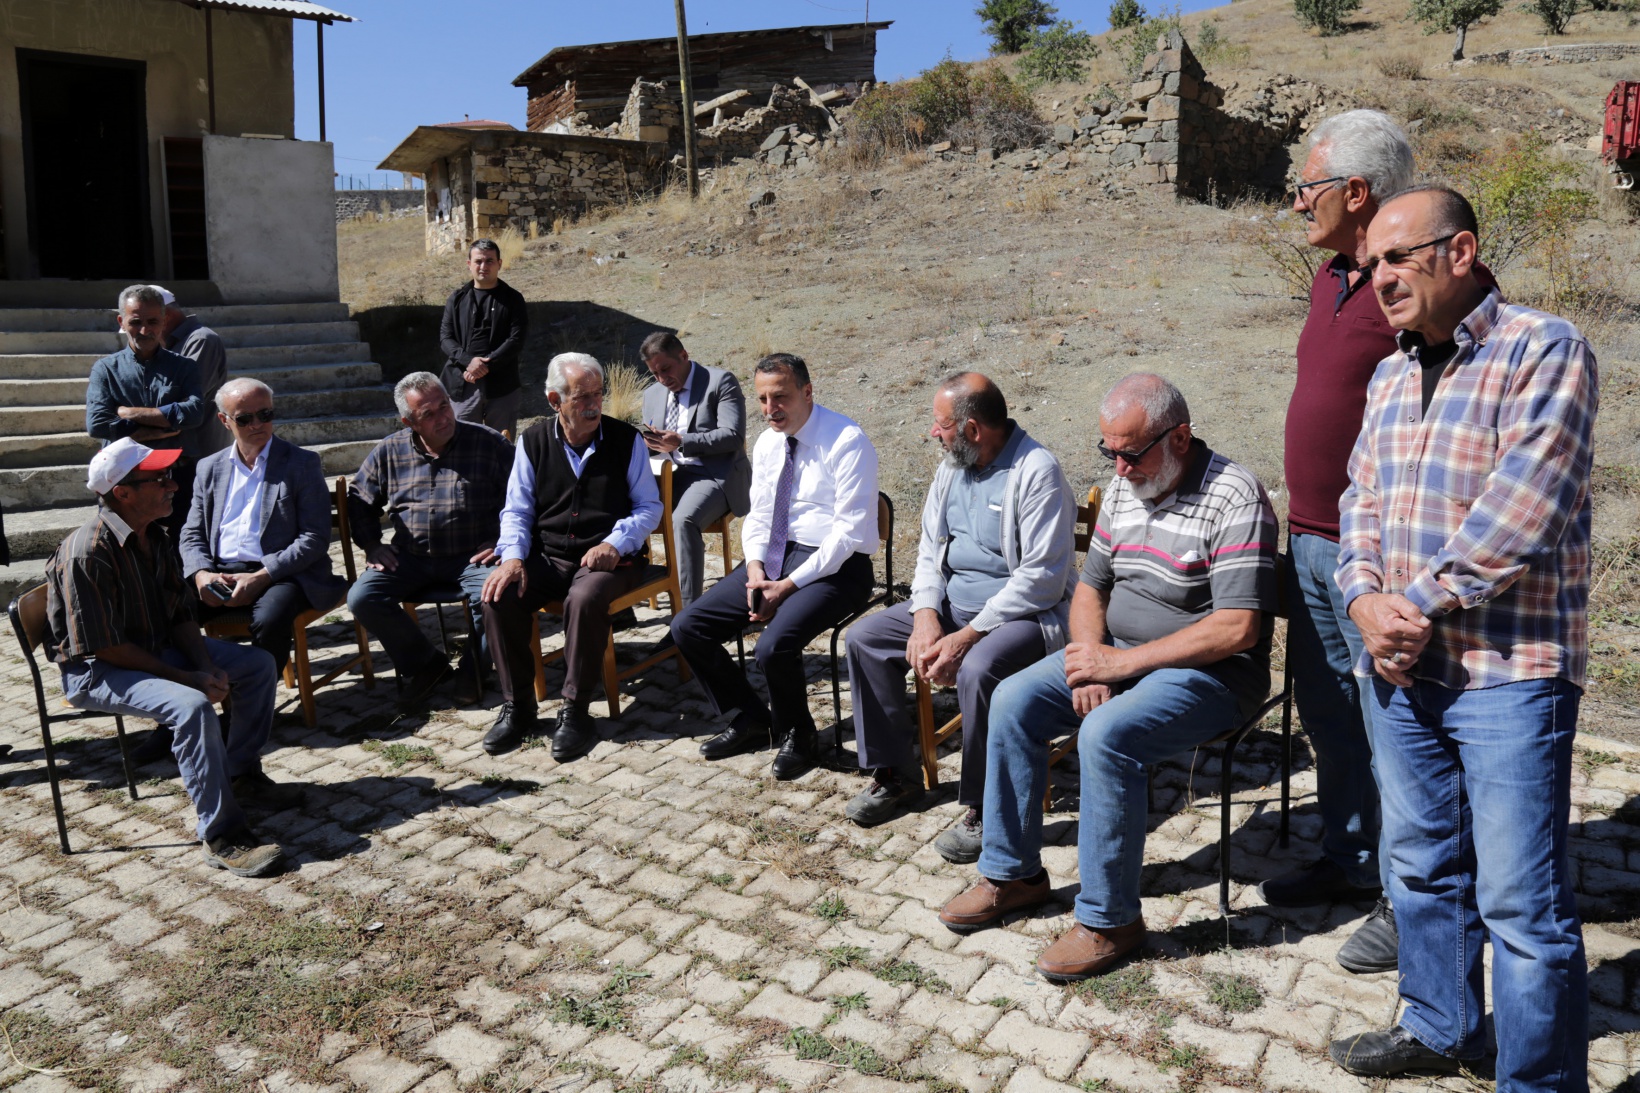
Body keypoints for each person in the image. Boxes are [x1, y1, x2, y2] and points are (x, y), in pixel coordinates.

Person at [1326, 186, 1596, 1089]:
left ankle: (1537, 1080)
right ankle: (1441, 1025)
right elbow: (1357, 500)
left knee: (1523, 902)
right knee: (1421, 865)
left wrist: (1415, 604)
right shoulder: (1390, 374)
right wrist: (1365, 600)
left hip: (1509, 668)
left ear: (1461, 251)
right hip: (1403, 667)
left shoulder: (1542, 347)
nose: (1378, 279)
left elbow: (1527, 505)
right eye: (1370, 268)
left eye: (1397, 258)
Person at [939, 373, 1278, 984]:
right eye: (1109, 453)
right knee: (1014, 699)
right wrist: (1091, 653)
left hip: (1210, 673)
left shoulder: (1235, 496)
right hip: (1117, 652)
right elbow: (1091, 586)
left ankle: (1109, 920)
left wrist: (1118, 667)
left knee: (1106, 736)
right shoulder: (1128, 488)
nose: (1118, 470)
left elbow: (1238, 630)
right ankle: (1012, 874)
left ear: (1180, 437)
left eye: (1130, 453)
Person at [1266, 109, 1414, 973]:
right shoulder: (1331, 276)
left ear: (1357, 192)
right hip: (1310, 543)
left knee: (1391, 722)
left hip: (1377, 554)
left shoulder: (1415, 288)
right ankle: (1352, 857)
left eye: (1308, 189)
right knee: (1328, 713)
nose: (1298, 206)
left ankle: (1409, 893)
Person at [843, 372, 1076, 865]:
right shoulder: (953, 466)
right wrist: (926, 615)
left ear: (973, 430)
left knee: (979, 667)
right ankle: (897, 777)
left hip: (1024, 616)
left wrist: (967, 636)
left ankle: (984, 806)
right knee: (864, 639)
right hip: (952, 605)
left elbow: (1043, 580)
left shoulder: (1036, 471)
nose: (934, 433)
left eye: (942, 424)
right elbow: (930, 548)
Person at [44, 438, 297, 877]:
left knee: (257, 666)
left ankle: (240, 774)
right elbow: (103, 645)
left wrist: (203, 665)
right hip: (98, 667)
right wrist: (186, 678)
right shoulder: (87, 553)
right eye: (159, 478)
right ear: (122, 492)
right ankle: (221, 835)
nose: (173, 485)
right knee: (193, 707)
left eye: (169, 476)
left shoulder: (153, 536)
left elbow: (179, 613)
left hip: (150, 648)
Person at [671, 353, 879, 781]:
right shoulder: (767, 442)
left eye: (780, 397)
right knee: (688, 626)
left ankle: (799, 736)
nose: (769, 409)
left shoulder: (846, 440)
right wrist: (755, 570)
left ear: (807, 391)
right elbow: (761, 515)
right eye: (762, 399)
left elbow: (846, 536)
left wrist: (786, 585)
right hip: (777, 558)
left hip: (838, 567)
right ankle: (750, 718)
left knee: (772, 645)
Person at [479, 353, 662, 759]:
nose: (594, 404)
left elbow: (648, 507)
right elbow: (517, 509)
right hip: (550, 557)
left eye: (598, 393)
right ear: (553, 400)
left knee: (583, 598)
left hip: (612, 559)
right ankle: (519, 706)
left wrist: (615, 542)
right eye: (582, 397)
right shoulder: (533, 441)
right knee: (499, 596)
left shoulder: (625, 439)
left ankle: (577, 710)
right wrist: (512, 558)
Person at [347, 372, 514, 710]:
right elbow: (358, 500)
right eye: (429, 414)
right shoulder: (388, 452)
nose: (442, 418)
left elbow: (524, 499)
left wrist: (502, 540)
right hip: (411, 556)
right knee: (362, 597)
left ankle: (474, 670)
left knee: (497, 595)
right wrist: (373, 545)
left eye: (444, 406)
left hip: (473, 554)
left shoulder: (488, 443)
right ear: (410, 422)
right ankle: (427, 666)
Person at [182, 378, 347, 676]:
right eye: (245, 419)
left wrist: (261, 575)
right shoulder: (209, 468)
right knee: (168, 612)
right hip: (220, 571)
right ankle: (198, 693)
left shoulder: (301, 463)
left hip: (281, 574)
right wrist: (201, 573)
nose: (258, 424)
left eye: (266, 415)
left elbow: (314, 539)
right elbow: (192, 533)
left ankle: (253, 704)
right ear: (224, 420)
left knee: (270, 620)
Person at [638, 332, 752, 609]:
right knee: (619, 504)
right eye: (655, 373)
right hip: (667, 472)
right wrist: (646, 443)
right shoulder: (652, 394)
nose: (662, 378)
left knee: (683, 520)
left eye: (666, 369)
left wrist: (682, 442)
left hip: (712, 474)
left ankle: (689, 611)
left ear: (684, 356)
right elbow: (653, 444)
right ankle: (630, 591)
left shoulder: (719, 382)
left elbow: (733, 436)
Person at [86, 284, 207, 542]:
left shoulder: (184, 367)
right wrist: (158, 426)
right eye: (135, 321)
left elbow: (195, 413)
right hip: (126, 478)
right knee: (123, 546)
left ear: (164, 321)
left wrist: (128, 413)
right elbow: (97, 424)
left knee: (183, 545)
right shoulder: (105, 370)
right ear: (121, 321)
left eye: (153, 321)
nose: (144, 330)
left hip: (177, 473)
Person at [439, 239, 528, 437]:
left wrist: (484, 366)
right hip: (463, 384)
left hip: (502, 385)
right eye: (478, 261)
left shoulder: (513, 299)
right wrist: (468, 362)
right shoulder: (457, 299)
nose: (483, 266)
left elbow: (516, 339)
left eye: (489, 261)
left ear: (499, 264)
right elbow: (446, 337)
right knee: (462, 444)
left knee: (501, 445)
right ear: (469, 264)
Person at [158, 286, 231, 456]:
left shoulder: (201, 340)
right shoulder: (166, 344)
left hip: (199, 453)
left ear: (165, 316)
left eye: (151, 322)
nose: (144, 332)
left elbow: (181, 399)